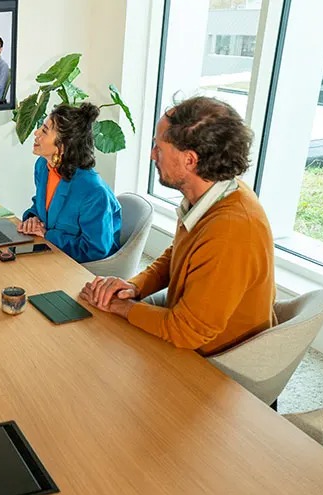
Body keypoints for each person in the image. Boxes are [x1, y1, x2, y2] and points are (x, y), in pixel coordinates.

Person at [80, 96, 275, 356]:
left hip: (216, 362)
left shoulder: (230, 231)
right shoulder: (212, 193)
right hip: (190, 332)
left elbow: (187, 331)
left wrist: (123, 308)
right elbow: (179, 255)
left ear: (190, 160)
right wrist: (134, 286)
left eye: (158, 148)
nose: (152, 155)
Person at [18, 103, 121, 263]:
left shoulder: (93, 191)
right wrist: (33, 218)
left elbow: (96, 249)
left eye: (44, 131)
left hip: (83, 268)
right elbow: (42, 207)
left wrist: (48, 235)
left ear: (62, 146)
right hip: (50, 253)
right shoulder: (42, 166)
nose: (36, 133)